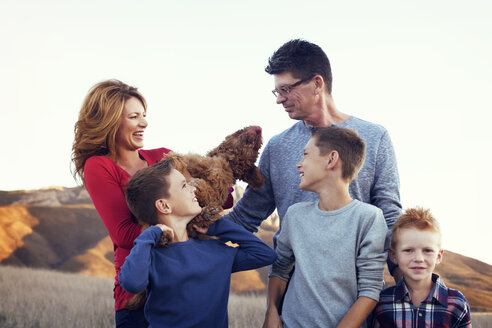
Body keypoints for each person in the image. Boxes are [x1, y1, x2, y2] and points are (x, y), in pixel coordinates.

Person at [223, 39, 402, 279]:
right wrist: (189, 233)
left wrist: (408, 287)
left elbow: (389, 218)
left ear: (317, 83)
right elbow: (246, 216)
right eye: (277, 91)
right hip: (293, 289)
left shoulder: (375, 137)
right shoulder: (277, 147)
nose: (279, 99)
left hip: (358, 292)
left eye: (286, 89)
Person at [71, 79, 234, 327]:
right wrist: (181, 224)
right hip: (140, 293)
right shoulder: (99, 166)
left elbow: (220, 197)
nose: (144, 123)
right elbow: (124, 235)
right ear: (111, 120)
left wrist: (220, 174)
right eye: (134, 117)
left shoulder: (162, 157)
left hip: (183, 285)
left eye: (144, 115)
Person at [118, 158, 277, 328]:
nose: (194, 189)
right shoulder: (151, 255)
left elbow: (265, 254)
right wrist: (150, 235)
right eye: (184, 185)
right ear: (164, 205)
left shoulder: (215, 251)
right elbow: (132, 283)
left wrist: (217, 225)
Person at [263, 126, 387, 328]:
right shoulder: (295, 215)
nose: (298, 164)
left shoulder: (368, 218)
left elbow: (370, 290)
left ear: (331, 159)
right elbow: (280, 268)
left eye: (305, 155)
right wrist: (272, 312)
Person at [371, 207, 472, 328]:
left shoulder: (457, 303)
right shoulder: (383, 303)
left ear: (439, 256)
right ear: (393, 255)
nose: (419, 258)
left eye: (427, 250)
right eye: (408, 250)